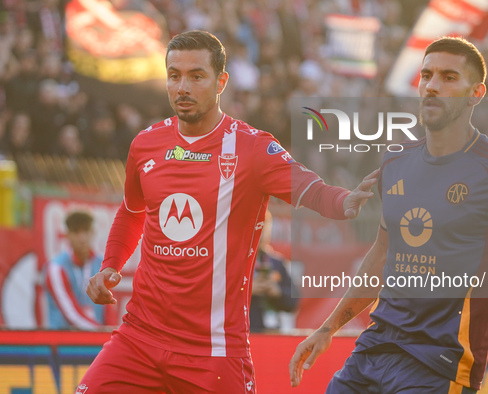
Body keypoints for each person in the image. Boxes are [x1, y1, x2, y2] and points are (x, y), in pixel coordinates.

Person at [79, 30, 377, 394]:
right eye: (174, 75)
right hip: (139, 338)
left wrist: (343, 201)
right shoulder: (146, 144)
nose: (182, 87)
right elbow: (131, 210)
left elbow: (307, 186)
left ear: (221, 81)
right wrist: (111, 264)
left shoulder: (251, 147)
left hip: (214, 352)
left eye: (196, 76)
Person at [289, 36, 488, 394]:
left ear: (477, 92)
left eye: (449, 77)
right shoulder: (395, 161)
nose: (433, 86)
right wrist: (328, 328)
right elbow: (380, 255)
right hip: (372, 352)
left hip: (440, 366)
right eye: (427, 75)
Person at [45, 210, 104, 330]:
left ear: (92, 233)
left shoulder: (102, 264)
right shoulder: (56, 268)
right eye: (76, 232)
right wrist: (103, 333)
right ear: (67, 235)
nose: (82, 238)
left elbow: (109, 307)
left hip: (97, 344)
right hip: (63, 343)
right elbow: (70, 314)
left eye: (85, 231)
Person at [250, 211, 298, 333]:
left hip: (272, 333)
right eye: (258, 227)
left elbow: (294, 302)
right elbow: (218, 295)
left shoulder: (277, 262)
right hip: (244, 332)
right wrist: (247, 290)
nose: (261, 234)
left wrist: (277, 292)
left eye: (265, 228)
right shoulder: (234, 261)